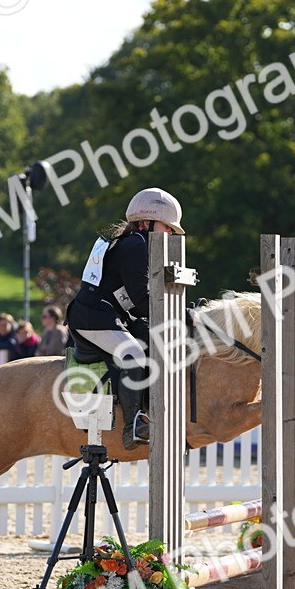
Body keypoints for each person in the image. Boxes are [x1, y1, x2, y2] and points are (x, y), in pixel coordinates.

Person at [67, 186, 185, 449]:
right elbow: (142, 300)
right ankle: (132, 426)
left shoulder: (137, 243)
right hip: (92, 317)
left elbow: (139, 305)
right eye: (166, 227)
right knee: (133, 353)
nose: (169, 234)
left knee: (149, 337)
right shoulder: (137, 245)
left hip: (111, 314)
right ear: (147, 222)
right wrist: (179, 313)